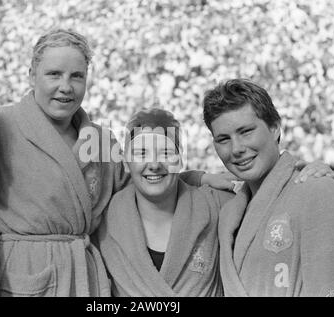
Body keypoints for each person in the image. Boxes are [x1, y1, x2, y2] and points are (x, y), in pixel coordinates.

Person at [0, 29, 334, 297]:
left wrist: (201, 175)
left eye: (76, 76)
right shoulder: (0, 123)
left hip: (85, 274)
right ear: (32, 75)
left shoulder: (100, 138)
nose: (65, 86)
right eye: (54, 74)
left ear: (88, 79)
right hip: (26, 274)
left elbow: (146, 173)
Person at [202, 79, 334, 297]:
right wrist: (200, 177)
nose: (236, 149)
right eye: (223, 139)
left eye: (246, 131)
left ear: (275, 128)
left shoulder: (321, 192)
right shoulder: (229, 208)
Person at [97, 108, 233, 296]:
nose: (154, 165)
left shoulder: (217, 206)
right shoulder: (103, 222)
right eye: (142, 153)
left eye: (166, 153)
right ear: (127, 163)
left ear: (180, 160)